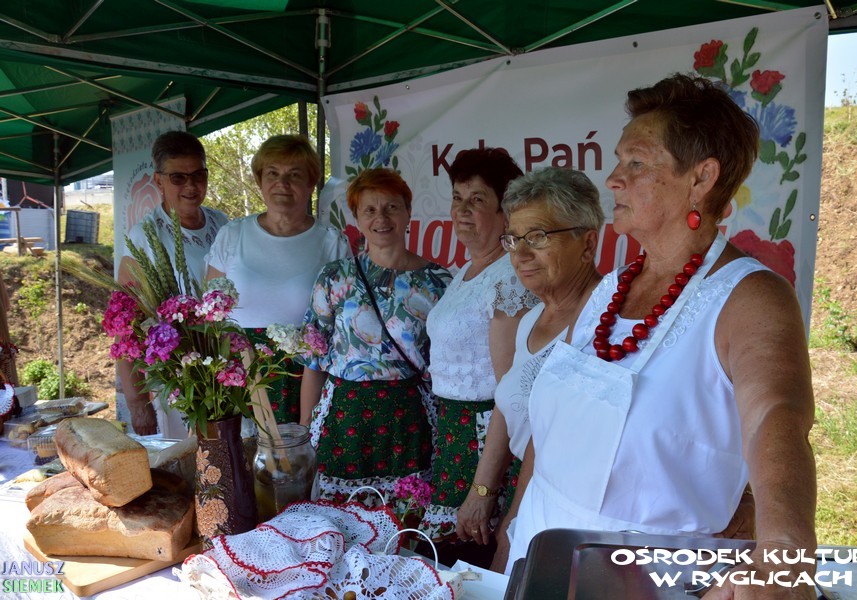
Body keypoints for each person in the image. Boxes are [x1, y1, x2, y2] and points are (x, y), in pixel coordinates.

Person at [498, 76, 817, 598]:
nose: (614, 179)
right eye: (618, 161)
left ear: (701, 178)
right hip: (539, 558)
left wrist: (784, 555)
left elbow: (775, 418)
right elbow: (553, 432)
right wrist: (511, 531)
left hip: (647, 582)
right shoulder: (608, 291)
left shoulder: (749, 297)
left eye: (636, 163)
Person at [299, 168, 452, 508]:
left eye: (391, 207)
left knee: (406, 517)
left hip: (409, 419)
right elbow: (313, 359)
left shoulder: (438, 282)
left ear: (408, 212)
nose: (381, 218)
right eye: (369, 209)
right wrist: (305, 431)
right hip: (344, 418)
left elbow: (446, 363)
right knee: (340, 517)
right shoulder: (334, 277)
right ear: (356, 218)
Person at [419, 149, 537, 565]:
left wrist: (483, 491)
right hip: (455, 440)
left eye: (477, 200)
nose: (462, 211)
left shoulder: (508, 280)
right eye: (457, 198)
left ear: (506, 212)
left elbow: (511, 394)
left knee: (467, 566)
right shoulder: (467, 273)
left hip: (484, 446)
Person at [206, 134, 350, 423]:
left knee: (299, 451)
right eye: (272, 173)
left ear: (311, 183)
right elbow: (210, 315)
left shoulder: (332, 242)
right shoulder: (232, 235)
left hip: (306, 379)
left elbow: (342, 323)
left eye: (294, 175)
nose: (282, 183)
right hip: (238, 377)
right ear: (259, 181)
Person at [118, 130, 228, 437]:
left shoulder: (223, 223)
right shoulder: (145, 238)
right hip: (182, 385)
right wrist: (138, 404)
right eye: (178, 177)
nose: (191, 186)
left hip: (227, 374)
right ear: (158, 181)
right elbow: (125, 328)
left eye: (199, 175)